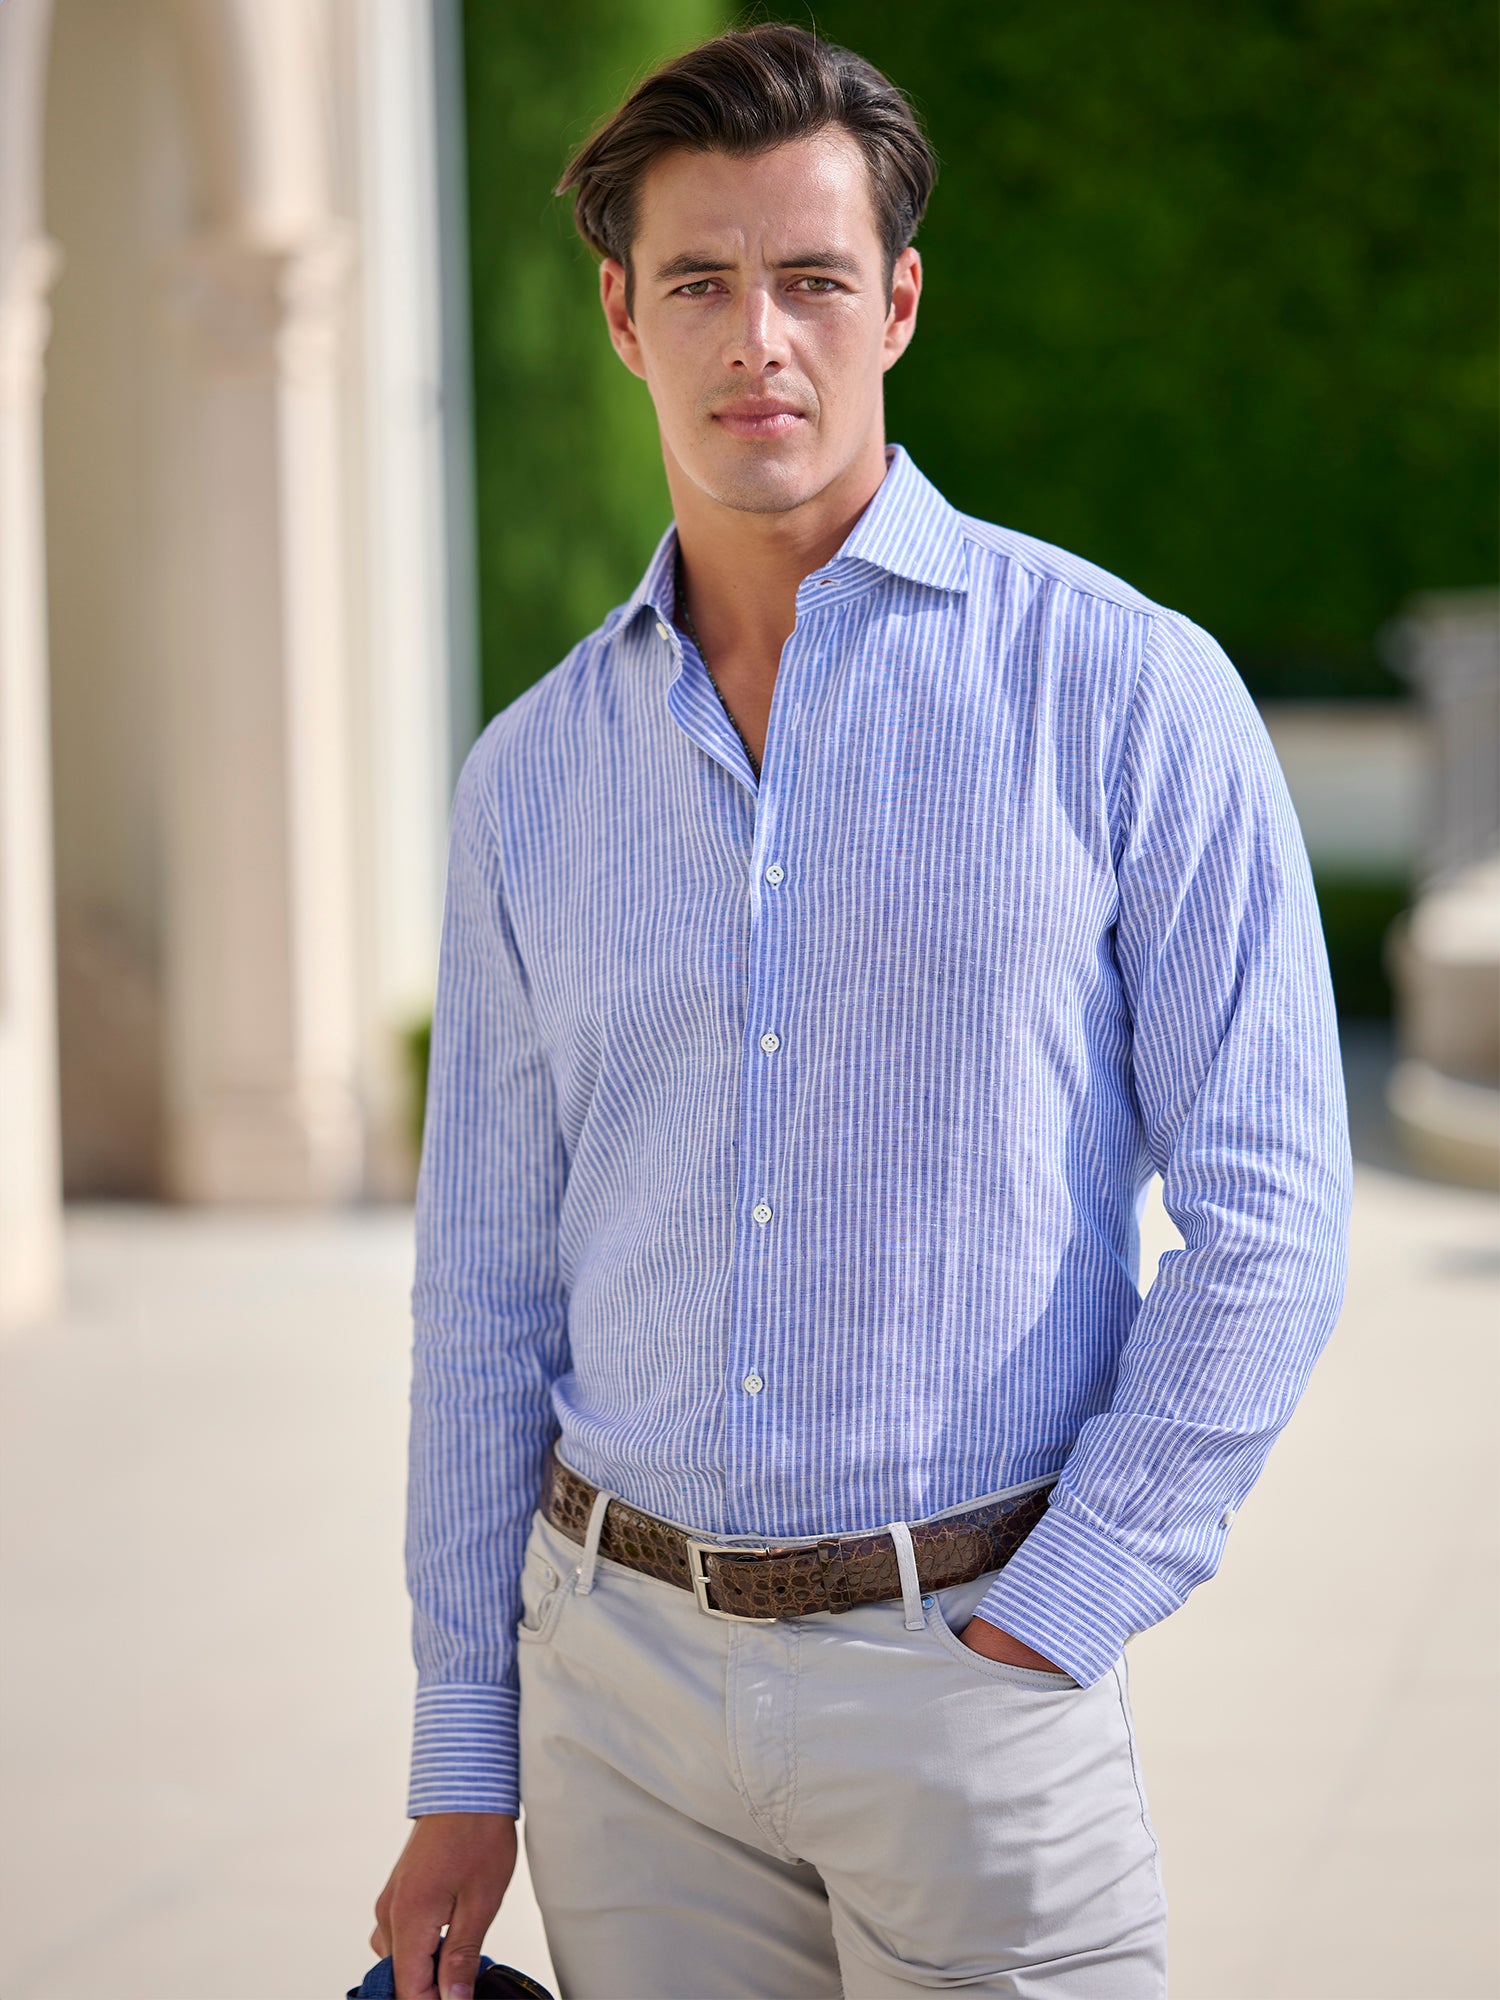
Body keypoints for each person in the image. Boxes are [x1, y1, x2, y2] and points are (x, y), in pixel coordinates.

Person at [370, 22, 1352, 2000]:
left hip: (974, 1684)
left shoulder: (1128, 696)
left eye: (812, 278)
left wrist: (1055, 1613)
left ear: (898, 301)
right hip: (619, 1710)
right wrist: (463, 1747)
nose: (761, 340)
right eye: (700, 284)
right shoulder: (531, 778)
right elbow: (484, 1285)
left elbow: (1274, 1217)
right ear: (620, 317)